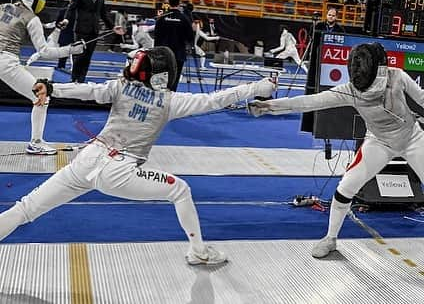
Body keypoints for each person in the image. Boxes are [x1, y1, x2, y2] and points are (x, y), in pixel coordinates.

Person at [0, 46, 276, 265]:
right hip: (120, 171)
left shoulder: (121, 86)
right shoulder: (171, 102)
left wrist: (52, 88)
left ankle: (199, 251)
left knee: (25, 209)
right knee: (180, 191)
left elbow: (90, 90)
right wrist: (257, 87)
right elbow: (216, 99)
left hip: (85, 162)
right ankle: (199, 251)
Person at [248, 42, 424, 258]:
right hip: (379, 141)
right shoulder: (349, 91)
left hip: (412, 137)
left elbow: (423, 98)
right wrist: (270, 106)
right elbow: (311, 102)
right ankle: (330, 238)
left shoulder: (397, 76)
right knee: (346, 187)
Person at [0, 0, 84, 155]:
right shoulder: (32, 18)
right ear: (36, 0)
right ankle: (36, 143)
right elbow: (45, 52)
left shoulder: (2, 7)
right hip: (5, 62)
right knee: (41, 96)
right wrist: (71, 50)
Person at [66, 0, 125, 83]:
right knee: (80, 55)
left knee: (88, 56)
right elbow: (71, 8)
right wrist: (66, 19)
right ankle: (74, 79)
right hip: (81, 30)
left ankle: (81, 79)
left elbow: (103, 14)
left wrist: (113, 27)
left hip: (94, 31)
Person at [154, 0, 195, 92]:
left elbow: (157, 36)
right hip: (178, 54)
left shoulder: (162, 17)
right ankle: (170, 98)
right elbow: (190, 37)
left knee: (162, 78)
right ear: (179, 2)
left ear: (168, 2)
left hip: (163, 54)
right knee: (174, 78)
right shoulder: (184, 18)